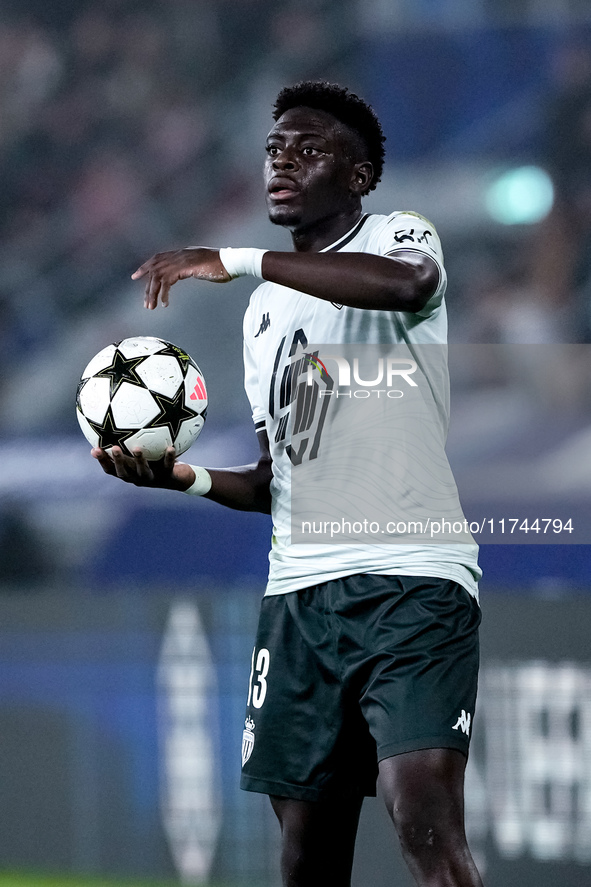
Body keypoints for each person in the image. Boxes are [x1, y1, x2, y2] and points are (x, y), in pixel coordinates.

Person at [92, 81, 484, 887]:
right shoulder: (264, 314)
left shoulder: (400, 235)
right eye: (274, 149)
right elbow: (278, 478)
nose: (282, 162)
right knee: (305, 856)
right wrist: (182, 476)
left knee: (423, 817)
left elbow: (408, 287)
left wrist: (228, 258)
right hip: (299, 599)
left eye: (307, 150)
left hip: (412, 579)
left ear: (359, 173)